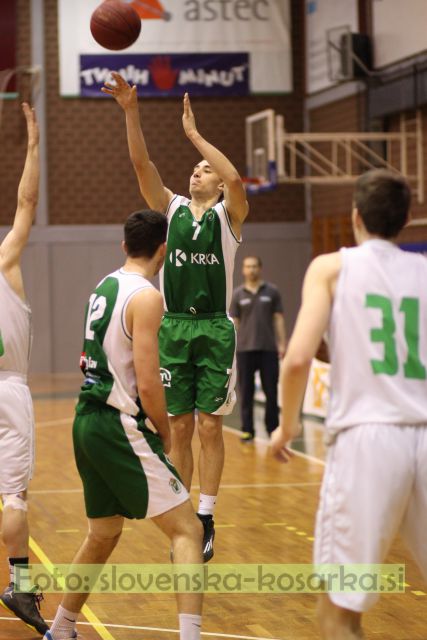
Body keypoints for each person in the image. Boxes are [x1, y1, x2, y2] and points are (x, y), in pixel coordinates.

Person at [271, 169, 427, 639]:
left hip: (367, 441)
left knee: (340, 610)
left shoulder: (332, 267)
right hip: (424, 431)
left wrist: (287, 425)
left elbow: (298, 358)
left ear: (355, 216)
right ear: (406, 220)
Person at [102, 73, 249, 562]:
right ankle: (183, 511)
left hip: (212, 326)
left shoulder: (229, 215)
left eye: (204, 169)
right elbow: (141, 164)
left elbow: (236, 180)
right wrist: (130, 112)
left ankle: (207, 513)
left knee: (211, 427)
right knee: (180, 427)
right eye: (194, 166)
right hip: (175, 328)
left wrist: (196, 136)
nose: (197, 172)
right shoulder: (174, 209)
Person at [43, 210, 203, 640]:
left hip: (87, 420)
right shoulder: (147, 296)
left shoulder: (105, 285)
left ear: (124, 246)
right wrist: (166, 433)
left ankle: (60, 629)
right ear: (164, 251)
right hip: (118, 424)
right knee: (188, 528)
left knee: (103, 533)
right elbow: (149, 382)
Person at [0, 103, 49, 636]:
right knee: (14, 496)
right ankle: (21, 585)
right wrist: (32, 145)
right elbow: (26, 202)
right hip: (9, 391)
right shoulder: (5, 260)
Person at [230, 256, 286, 442]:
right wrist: (231, 346)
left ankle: (273, 429)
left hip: (268, 349)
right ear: (243, 270)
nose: (251, 269)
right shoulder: (238, 294)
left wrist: (282, 343)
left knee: (271, 391)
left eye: (254, 266)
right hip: (245, 350)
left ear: (260, 269)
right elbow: (235, 323)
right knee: (246, 392)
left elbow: (278, 318)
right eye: (248, 266)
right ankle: (247, 429)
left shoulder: (272, 292)